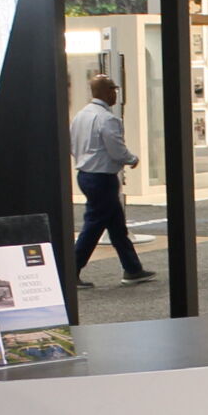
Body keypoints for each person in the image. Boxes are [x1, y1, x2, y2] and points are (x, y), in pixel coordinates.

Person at [70, 74, 155, 285]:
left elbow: (72, 145)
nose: (116, 94)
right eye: (113, 89)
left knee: (116, 226)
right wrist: (132, 159)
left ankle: (132, 268)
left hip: (85, 175)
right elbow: (116, 148)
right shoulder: (107, 119)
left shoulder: (80, 116)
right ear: (107, 92)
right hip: (102, 178)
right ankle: (71, 269)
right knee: (94, 225)